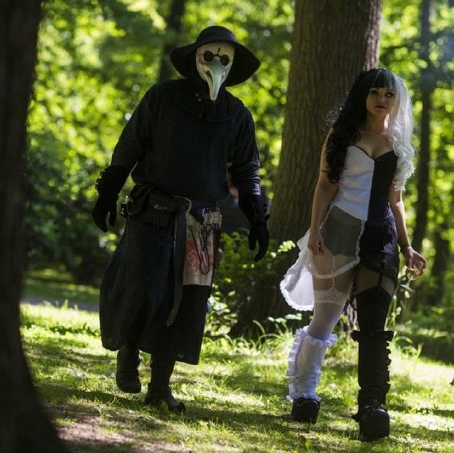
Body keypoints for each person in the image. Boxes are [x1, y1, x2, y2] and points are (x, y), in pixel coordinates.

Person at [91, 25, 269, 412]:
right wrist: (108, 191)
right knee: (145, 288)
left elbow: (247, 170)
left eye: (225, 58)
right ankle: (128, 350)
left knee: (186, 302)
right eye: (210, 55)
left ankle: (160, 386)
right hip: (153, 211)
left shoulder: (238, 115)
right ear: (195, 57)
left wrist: (257, 217)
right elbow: (130, 144)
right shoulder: (162, 97)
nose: (216, 63)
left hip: (202, 221)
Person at [280, 68, 427, 441]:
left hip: (382, 237)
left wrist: (407, 246)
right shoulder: (343, 134)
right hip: (339, 232)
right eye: (375, 92)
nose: (382, 99)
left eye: (388, 94)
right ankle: (304, 394)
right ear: (363, 96)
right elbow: (324, 186)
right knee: (324, 320)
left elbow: (396, 200)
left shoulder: (399, 142)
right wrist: (315, 230)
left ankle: (372, 406)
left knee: (374, 323)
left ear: (396, 100)